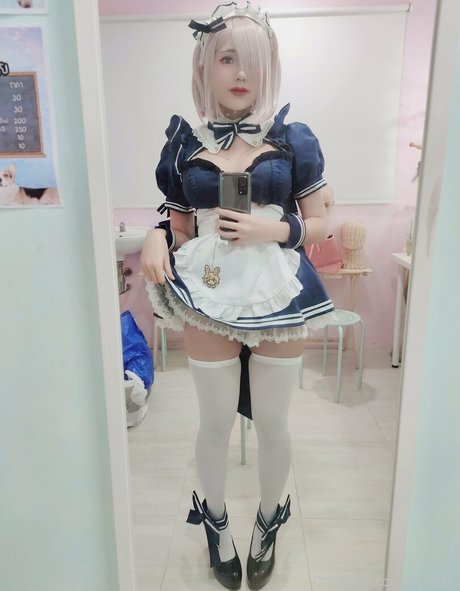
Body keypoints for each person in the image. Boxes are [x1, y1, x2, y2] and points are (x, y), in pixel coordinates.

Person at [140, 3, 335, 589]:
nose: (241, 72)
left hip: (278, 287)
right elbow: (179, 227)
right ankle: (216, 523)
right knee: (214, 421)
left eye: (252, 61)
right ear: (206, 65)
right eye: (228, 58)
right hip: (209, 290)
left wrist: (269, 229)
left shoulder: (293, 138)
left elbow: (321, 222)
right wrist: (155, 235)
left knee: (274, 422)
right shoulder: (183, 145)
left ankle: (269, 521)